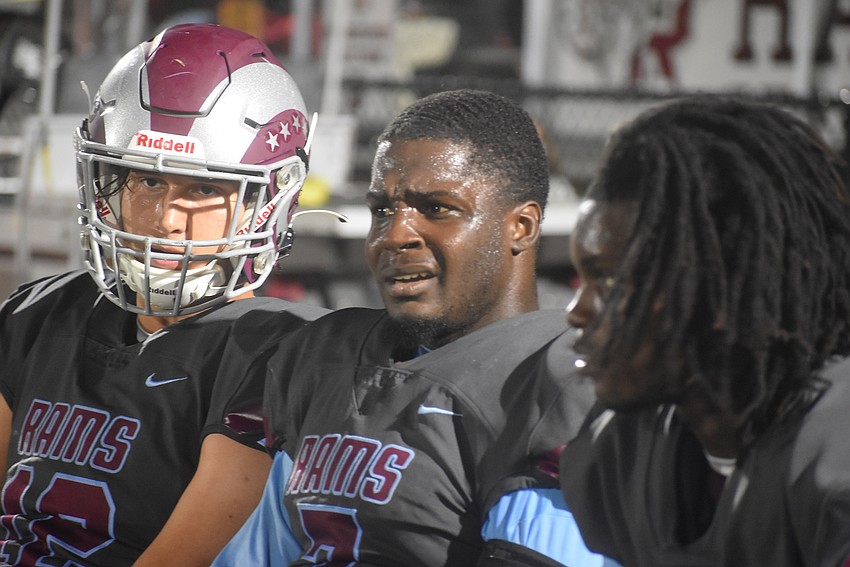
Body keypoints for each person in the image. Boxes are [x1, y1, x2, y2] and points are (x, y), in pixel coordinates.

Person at [214, 89, 612, 566]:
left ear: (521, 227)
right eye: (382, 209)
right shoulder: (323, 358)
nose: (395, 235)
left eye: (438, 208)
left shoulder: (551, 382)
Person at [0, 23, 328, 566]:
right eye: (148, 181)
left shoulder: (269, 356)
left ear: (267, 202)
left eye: (203, 187)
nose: (166, 220)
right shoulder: (38, 316)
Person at [560, 96, 850, 566]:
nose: (577, 310)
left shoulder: (834, 443)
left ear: (721, 283)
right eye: (581, 279)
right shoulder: (617, 451)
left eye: (609, 281)